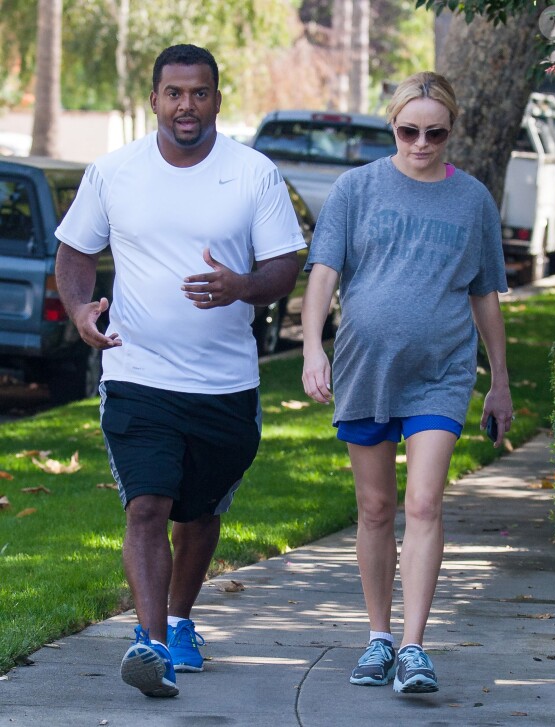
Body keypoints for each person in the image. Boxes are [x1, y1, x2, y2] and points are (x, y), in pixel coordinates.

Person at [55, 44, 305, 698]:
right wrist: (82, 309)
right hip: (136, 370)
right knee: (148, 504)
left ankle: (180, 617)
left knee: (196, 512)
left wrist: (242, 285)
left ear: (217, 99)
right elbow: (75, 250)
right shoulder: (115, 172)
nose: (185, 105)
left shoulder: (253, 174)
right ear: (154, 99)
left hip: (225, 383)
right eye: (174, 93)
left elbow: (284, 267)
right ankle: (151, 644)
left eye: (198, 93)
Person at [301, 71, 513, 694]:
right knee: (375, 509)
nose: (421, 142)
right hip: (366, 367)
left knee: (423, 502)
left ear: (452, 130)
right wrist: (313, 348)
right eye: (408, 130)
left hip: (442, 371)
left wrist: (499, 381)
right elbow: (322, 275)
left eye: (435, 132)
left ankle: (415, 647)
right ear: (392, 125)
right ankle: (378, 638)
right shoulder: (356, 188)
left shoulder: (472, 199)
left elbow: (486, 295)